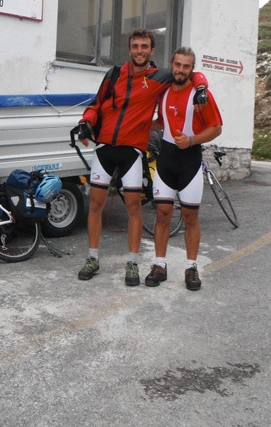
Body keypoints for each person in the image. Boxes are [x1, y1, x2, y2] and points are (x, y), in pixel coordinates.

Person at [74, 29, 208, 286]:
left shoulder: (159, 77)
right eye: (135, 46)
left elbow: (189, 73)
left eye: (144, 46)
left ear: (152, 51)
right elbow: (96, 105)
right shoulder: (114, 74)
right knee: (95, 205)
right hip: (104, 148)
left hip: (132, 151)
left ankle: (133, 263)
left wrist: (201, 87)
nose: (139, 50)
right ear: (130, 49)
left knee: (134, 208)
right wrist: (85, 123)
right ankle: (92, 258)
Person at [145, 47, 223, 291]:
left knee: (190, 217)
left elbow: (216, 127)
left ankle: (191, 267)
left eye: (186, 66)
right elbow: (163, 121)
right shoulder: (164, 91)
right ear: (172, 64)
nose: (180, 70)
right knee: (162, 215)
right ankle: (159, 265)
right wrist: (140, 124)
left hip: (189, 160)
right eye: (177, 65)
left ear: (192, 69)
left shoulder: (201, 95)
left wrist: (191, 140)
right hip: (166, 160)